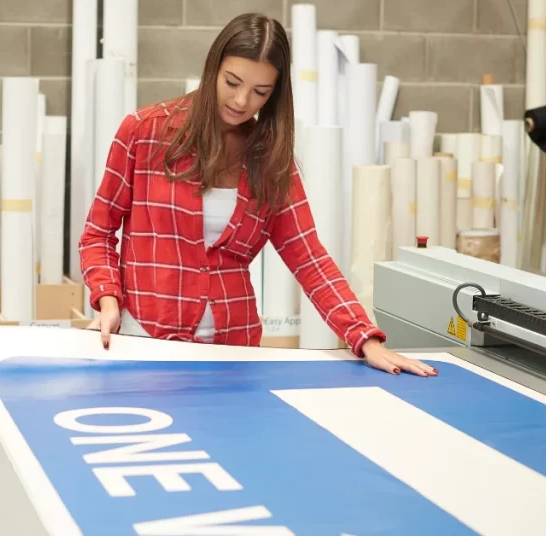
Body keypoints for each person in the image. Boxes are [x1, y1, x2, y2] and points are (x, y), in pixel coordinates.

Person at [79, 12, 437, 378]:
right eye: (232, 82)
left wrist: (365, 338)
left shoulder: (269, 160)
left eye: (260, 92)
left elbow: (310, 258)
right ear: (212, 68)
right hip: (146, 344)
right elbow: (98, 233)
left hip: (234, 354)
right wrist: (108, 299)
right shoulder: (145, 132)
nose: (241, 101)